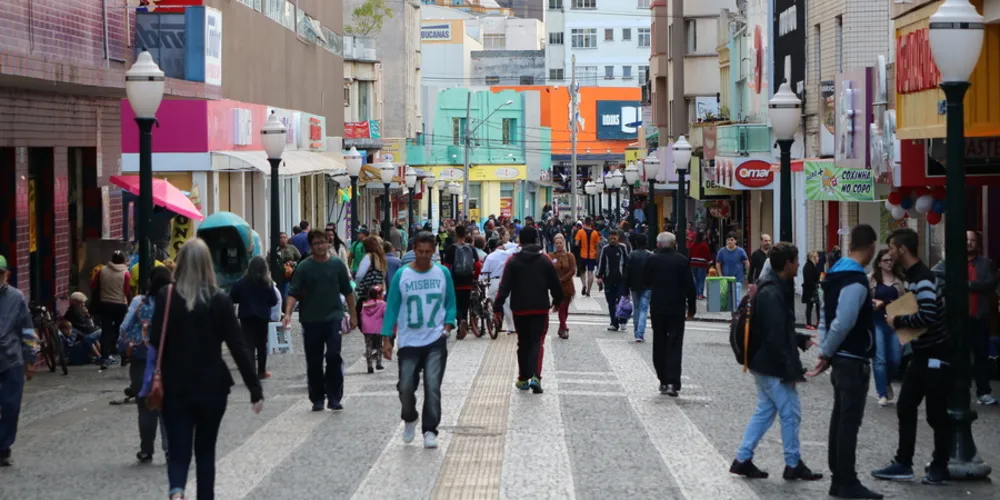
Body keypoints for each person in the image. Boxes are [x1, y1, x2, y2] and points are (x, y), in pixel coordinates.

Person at [150, 239, 264, 500]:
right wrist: (254, 388)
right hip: (212, 386)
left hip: (176, 386)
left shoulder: (166, 297)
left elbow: (156, 340)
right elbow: (238, 346)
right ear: (207, 264)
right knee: (205, 451)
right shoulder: (219, 299)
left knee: (178, 448)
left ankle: (177, 491)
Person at [730, 242, 823, 481]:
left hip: (759, 362)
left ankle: (742, 459)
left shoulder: (768, 287)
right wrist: (789, 370)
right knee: (791, 413)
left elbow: (777, 330)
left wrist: (800, 339)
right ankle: (793, 463)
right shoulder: (773, 292)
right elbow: (775, 336)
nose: (799, 264)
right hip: (771, 365)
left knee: (765, 411)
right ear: (788, 263)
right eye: (796, 260)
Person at [870, 227, 952, 487]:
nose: (890, 252)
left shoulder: (923, 277)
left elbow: (927, 315)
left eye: (892, 247)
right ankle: (903, 463)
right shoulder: (912, 276)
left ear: (902, 249)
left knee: (936, 413)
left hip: (935, 354)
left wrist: (898, 320)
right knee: (906, 406)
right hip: (921, 353)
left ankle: (940, 466)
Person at [806, 224, 882, 500]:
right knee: (848, 422)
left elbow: (826, 317)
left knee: (840, 420)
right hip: (852, 357)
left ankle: (840, 478)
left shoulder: (835, 274)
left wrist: (826, 351)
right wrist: (826, 352)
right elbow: (844, 321)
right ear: (871, 246)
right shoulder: (856, 279)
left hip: (840, 356)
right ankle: (846, 480)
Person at [381, 231, 455, 449]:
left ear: (433, 252)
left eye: (427, 252)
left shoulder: (442, 273)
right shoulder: (402, 275)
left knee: (433, 386)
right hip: (409, 340)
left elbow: (450, 302)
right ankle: (409, 416)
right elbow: (392, 306)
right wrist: (387, 338)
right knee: (405, 386)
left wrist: (448, 325)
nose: (423, 256)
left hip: (435, 339)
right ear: (414, 251)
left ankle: (430, 430)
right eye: (419, 252)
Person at [284, 230, 357, 412]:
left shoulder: (337, 265)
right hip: (310, 319)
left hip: (333, 318)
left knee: (333, 355)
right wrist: (287, 313)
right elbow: (293, 292)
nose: (320, 246)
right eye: (316, 243)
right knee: (314, 361)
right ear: (311, 245)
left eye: (323, 242)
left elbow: (348, 291)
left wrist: (354, 315)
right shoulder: (304, 267)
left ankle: (334, 397)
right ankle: (317, 397)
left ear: (328, 243)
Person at [930, 230, 997, 405]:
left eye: (973, 240)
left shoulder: (986, 264)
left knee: (981, 356)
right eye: (966, 239)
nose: (969, 243)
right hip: (956, 319)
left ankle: (984, 392)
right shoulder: (949, 262)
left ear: (978, 244)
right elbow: (934, 275)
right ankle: (958, 390)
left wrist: (967, 285)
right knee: (958, 356)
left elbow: (990, 283)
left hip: (979, 317)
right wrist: (952, 284)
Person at [494, 226, 564, 393]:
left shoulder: (512, 260)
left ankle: (523, 378)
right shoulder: (545, 260)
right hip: (540, 308)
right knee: (537, 342)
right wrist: (557, 300)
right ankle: (536, 377)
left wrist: (497, 307)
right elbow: (555, 284)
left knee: (523, 343)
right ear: (536, 240)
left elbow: (504, 286)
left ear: (520, 240)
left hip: (519, 309)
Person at [119, 266, 172, 464]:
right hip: (169, 360)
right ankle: (170, 449)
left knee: (145, 405)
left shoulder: (139, 301)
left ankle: (146, 450)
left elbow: (124, 327)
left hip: (142, 358)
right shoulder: (175, 302)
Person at [643, 232, 696, 397]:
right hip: (676, 307)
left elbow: (646, 281)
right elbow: (690, 286)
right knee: (674, 343)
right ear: (674, 244)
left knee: (659, 342)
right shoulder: (681, 260)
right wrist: (692, 308)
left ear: (658, 244)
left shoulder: (652, 259)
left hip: (658, 307)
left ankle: (663, 381)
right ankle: (673, 382)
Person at [0, 254, 33, 467]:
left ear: (7, 275)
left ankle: (3, 447)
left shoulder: (16, 297)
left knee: (11, 406)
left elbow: (27, 329)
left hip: (11, 358)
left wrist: (30, 359)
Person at [230, 256, 279, 380]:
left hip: (246, 316)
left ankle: (250, 372)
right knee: (262, 344)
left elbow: (233, 297)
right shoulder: (267, 283)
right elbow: (273, 301)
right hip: (262, 316)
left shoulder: (241, 282)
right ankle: (261, 371)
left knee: (249, 344)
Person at [868, 249, 905, 407]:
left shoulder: (900, 280)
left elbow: (906, 301)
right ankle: (882, 392)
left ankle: (887, 380)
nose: (889, 263)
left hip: (895, 322)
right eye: (885, 260)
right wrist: (875, 304)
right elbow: (864, 300)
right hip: (877, 322)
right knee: (880, 359)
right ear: (879, 263)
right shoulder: (871, 279)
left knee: (895, 359)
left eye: (891, 260)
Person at [93, 250, 132, 370]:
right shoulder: (126, 273)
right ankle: (123, 356)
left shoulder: (102, 271)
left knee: (106, 330)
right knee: (122, 330)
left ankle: (104, 357)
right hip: (121, 304)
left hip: (105, 303)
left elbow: (93, 285)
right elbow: (127, 290)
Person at [442, 224, 482, 339]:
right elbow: (478, 264)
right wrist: (475, 276)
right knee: (464, 305)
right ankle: (462, 326)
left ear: (456, 235)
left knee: (455, 306)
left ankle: (461, 321)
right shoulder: (471, 248)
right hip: (468, 281)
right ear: (465, 235)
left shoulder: (451, 249)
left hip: (455, 282)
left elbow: (446, 267)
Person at [596, 230, 629, 332]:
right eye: (611, 238)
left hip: (621, 280)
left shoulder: (623, 248)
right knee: (611, 302)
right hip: (608, 280)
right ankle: (613, 322)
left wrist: (628, 277)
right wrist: (599, 276)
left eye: (614, 238)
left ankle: (622, 321)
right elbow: (601, 263)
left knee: (621, 301)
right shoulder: (605, 249)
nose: (612, 240)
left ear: (618, 238)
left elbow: (627, 263)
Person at [481, 238, 515, 335]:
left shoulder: (490, 257)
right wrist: (507, 245)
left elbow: (484, 272)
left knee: (493, 304)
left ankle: (494, 323)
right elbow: (517, 247)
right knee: (507, 304)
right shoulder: (508, 254)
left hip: (494, 281)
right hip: (505, 280)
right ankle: (511, 327)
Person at [625, 233, 652, 342]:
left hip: (634, 285)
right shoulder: (650, 255)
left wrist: (626, 287)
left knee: (636, 308)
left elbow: (627, 272)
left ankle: (637, 331)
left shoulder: (632, 255)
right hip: (647, 285)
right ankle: (640, 333)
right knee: (643, 309)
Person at [550, 233, 577, 340]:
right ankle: (564, 328)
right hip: (556, 287)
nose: (559, 245)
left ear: (564, 243)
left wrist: (562, 279)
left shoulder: (570, 256)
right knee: (560, 307)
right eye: (557, 243)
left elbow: (572, 270)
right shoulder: (551, 256)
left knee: (565, 308)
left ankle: (561, 327)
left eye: (560, 243)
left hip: (567, 286)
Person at [360, 285, 387, 373]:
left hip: (367, 328)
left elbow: (361, 315)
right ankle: (378, 363)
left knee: (368, 346)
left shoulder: (365, 304)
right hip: (378, 328)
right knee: (379, 346)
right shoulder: (382, 304)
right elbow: (385, 315)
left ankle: (369, 366)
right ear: (379, 295)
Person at [574, 217, 602, 296]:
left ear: (584, 223)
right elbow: (597, 246)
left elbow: (576, 243)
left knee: (582, 272)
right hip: (592, 256)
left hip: (583, 255)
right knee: (590, 273)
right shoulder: (595, 233)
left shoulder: (580, 232)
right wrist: (597, 255)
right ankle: (588, 291)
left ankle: (584, 285)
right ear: (591, 223)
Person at [689, 232, 711, 300]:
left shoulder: (692, 244)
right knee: (701, 279)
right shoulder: (704, 245)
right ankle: (700, 294)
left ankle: (696, 293)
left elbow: (690, 254)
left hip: (693, 263)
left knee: (696, 279)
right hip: (701, 264)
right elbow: (707, 254)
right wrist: (710, 260)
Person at [802, 251, 822, 330]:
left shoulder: (813, 266)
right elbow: (809, 279)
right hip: (810, 290)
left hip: (813, 289)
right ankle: (808, 323)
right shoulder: (809, 266)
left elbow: (816, 276)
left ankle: (819, 321)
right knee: (809, 306)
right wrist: (816, 283)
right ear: (813, 258)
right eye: (817, 257)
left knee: (817, 305)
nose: (818, 258)